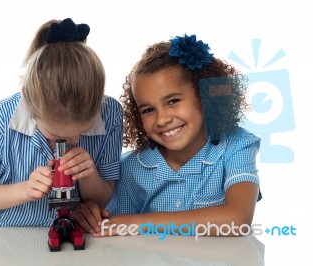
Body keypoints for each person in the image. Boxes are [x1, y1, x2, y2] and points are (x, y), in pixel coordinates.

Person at [73, 34, 262, 237]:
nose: (162, 119)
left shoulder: (236, 146)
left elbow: (238, 219)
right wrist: (91, 216)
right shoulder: (131, 169)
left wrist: (143, 223)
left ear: (204, 95)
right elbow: (117, 228)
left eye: (172, 101)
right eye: (147, 110)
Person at [0, 18, 123, 227]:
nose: (74, 140)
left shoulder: (111, 114)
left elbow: (105, 196)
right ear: (29, 102)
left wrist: (88, 175)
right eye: (55, 134)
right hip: (6, 239)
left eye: (86, 128)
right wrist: (25, 190)